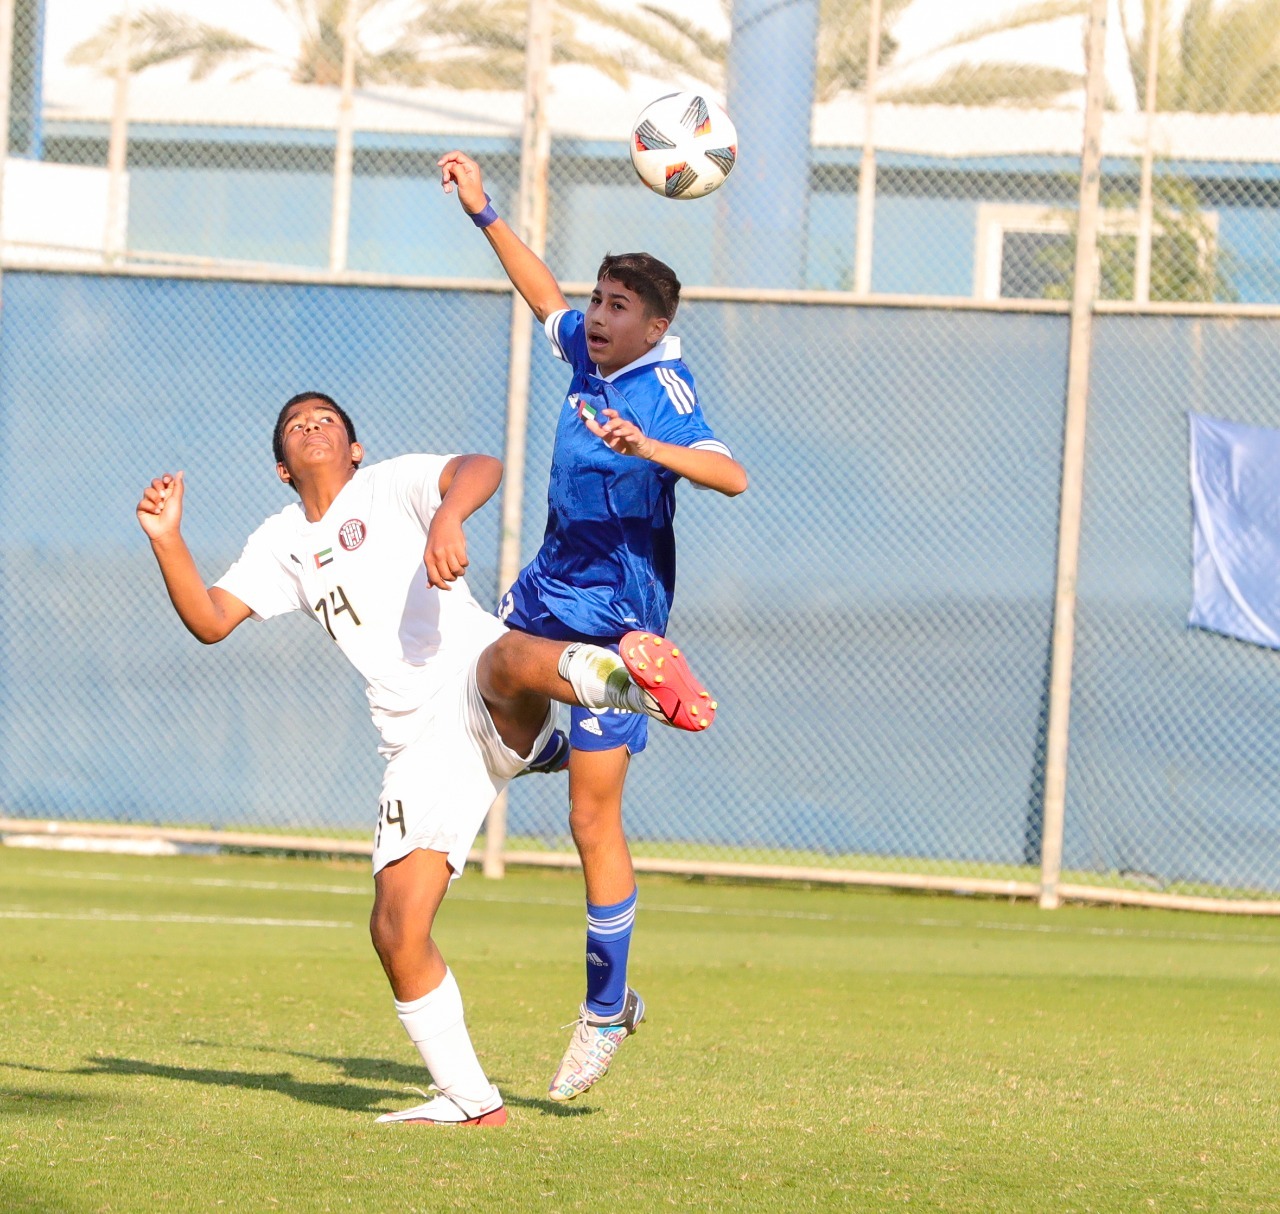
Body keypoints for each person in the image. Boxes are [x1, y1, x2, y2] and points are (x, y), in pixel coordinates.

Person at [135, 390, 719, 1127]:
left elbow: (483, 466)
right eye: (295, 425)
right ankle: (471, 1101)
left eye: (327, 420)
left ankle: (626, 686)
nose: (311, 426)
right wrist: (166, 538)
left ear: (354, 448)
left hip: (479, 683)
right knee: (395, 928)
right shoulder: (280, 542)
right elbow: (213, 620)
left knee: (503, 656)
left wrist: (446, 515)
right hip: (416, 742)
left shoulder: (389, 484)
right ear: (282, 467)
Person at [439, 151, 749, 1103]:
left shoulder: (667, 389)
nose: (599, 315)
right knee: (475, 690)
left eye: (619, 306)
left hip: (620, 625)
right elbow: (542, 298)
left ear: (658, 326)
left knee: (590, 818)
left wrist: (647, 447)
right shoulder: (587, 350)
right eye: (601, 299)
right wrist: (486, 213)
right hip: (545, 590)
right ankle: (541, 742)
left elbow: (730, 474)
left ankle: (607, 1008)